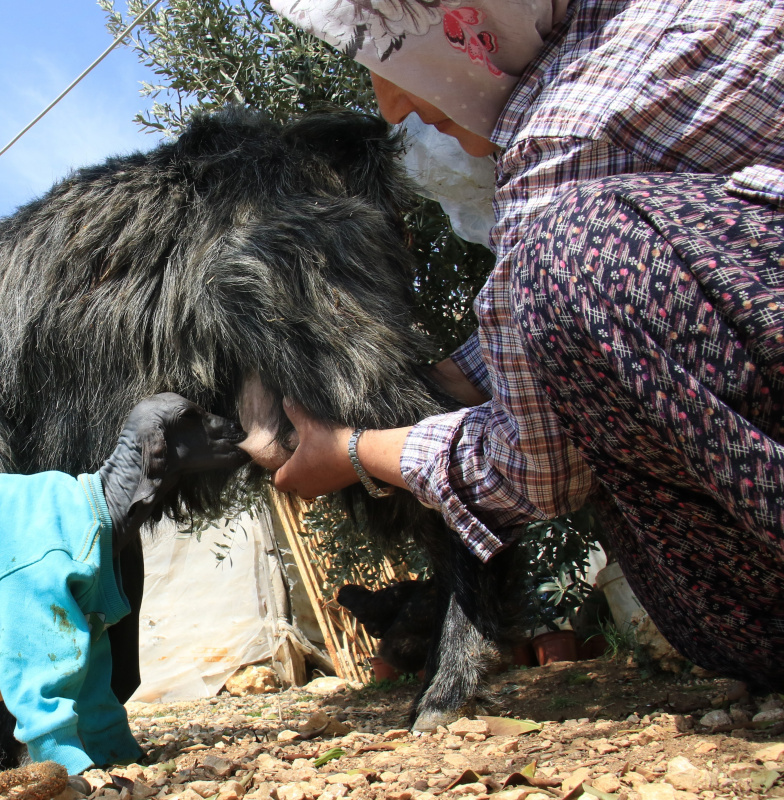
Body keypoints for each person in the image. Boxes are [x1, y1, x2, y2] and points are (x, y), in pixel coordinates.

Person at [261, 0, 784, 683]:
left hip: (750, 608)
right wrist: (445, 380)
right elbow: (692, 276)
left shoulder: (561, 145)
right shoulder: (659, 26)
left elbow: (536, 470)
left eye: (395, 58)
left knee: (571, 256)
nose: (390, 106)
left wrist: (357, 451)